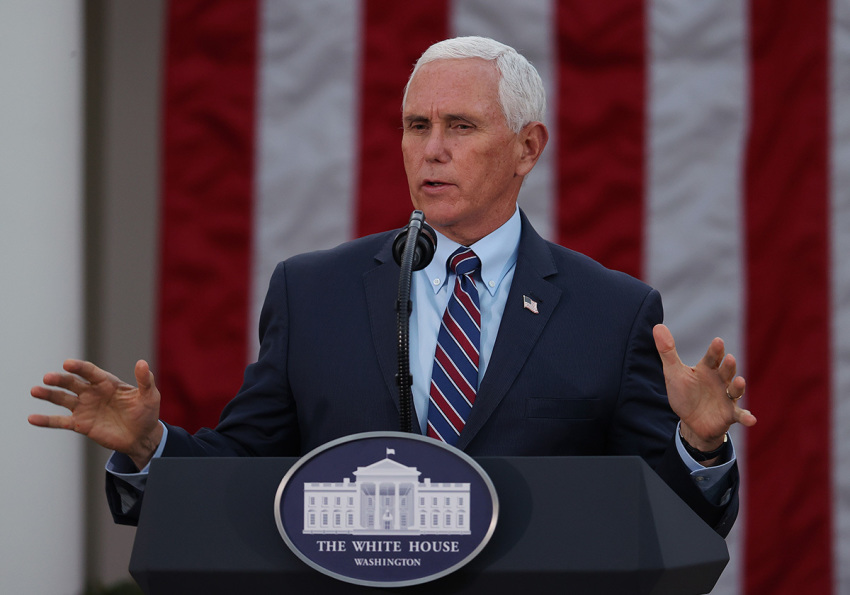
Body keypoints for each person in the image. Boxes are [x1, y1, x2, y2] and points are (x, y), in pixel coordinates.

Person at [29, 36, 756, 536]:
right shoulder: (313, 293)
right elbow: (244, 471)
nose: (431, 150)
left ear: (527, 148)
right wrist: (151, 445)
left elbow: (668, 512)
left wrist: (697, 442)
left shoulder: (613, 311)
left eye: (461, 126)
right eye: (417, 125)